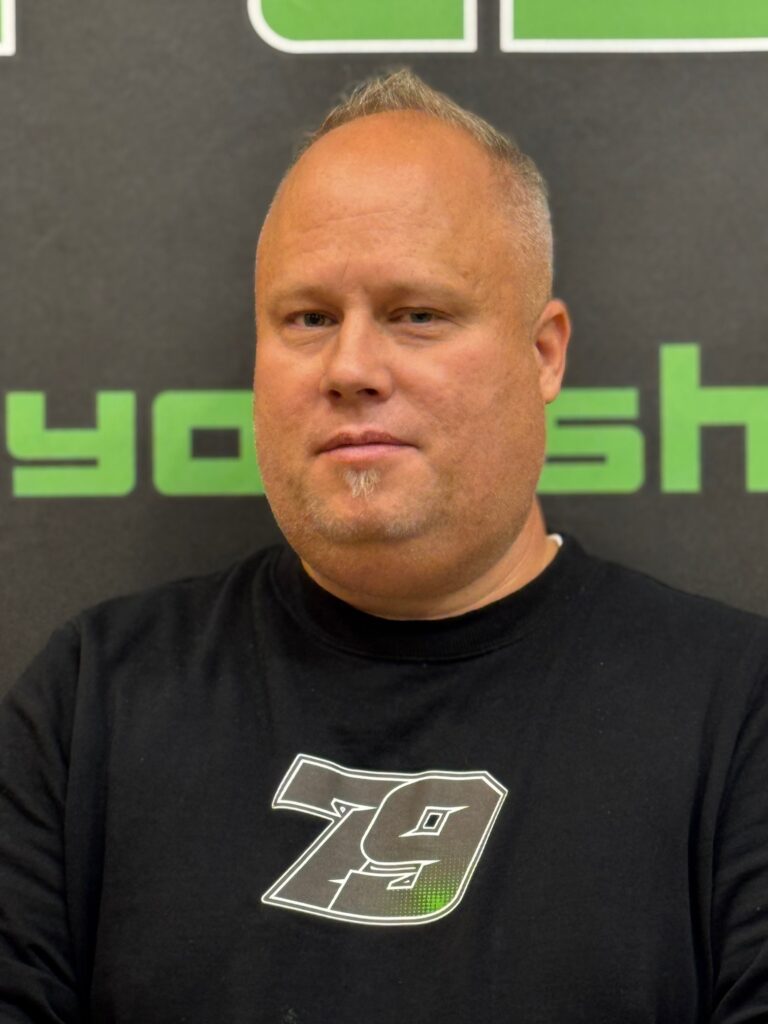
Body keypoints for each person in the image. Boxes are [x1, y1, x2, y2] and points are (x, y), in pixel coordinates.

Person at [1, 69, 767, 1024]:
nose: (352, 367)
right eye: (309, 319)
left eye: (417, 314)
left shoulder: (737, 712)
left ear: (544, 353)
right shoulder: (95, 704)